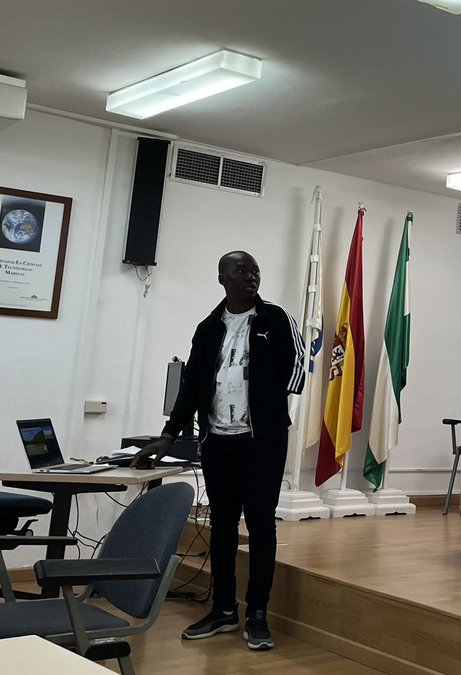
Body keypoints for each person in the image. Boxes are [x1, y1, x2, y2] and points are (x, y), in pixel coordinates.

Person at [132, 250, 303, 651]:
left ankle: (257, 614)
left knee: (261, 524)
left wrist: (270, 402)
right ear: (222, 278)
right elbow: (191, 385)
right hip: (217, 441)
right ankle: (224, 609)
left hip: (263, 440)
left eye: (255, 271)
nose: (251, 277)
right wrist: (169, 434)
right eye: (241, 271)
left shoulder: (275, 319)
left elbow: (295, 366)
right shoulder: (208, 327)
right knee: (222, 525)